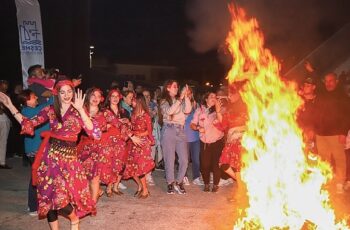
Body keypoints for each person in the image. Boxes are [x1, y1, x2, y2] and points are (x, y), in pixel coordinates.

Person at [0, 79, 101, 230]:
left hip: (69, 161)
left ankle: (74, 219)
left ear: (73, 92)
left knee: (61, 199)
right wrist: (9, 105)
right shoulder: (51, 110)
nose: (66, 95)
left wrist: (81, 110)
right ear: (57, 93)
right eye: (62, 92)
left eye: (69, 91)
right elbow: (28, 123)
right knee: (48, 198)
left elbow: (95, 132)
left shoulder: (78, 110)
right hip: (50, 159)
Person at [314, 73, 350, 194]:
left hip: (336, 134)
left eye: (331, 81)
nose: (328, 83)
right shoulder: (321, 94)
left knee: (339, 159)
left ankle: (340, 183)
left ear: (337, 81)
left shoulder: (343, 96)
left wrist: (343, 133)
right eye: (326, 81)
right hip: (321, 134)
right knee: (324, 160)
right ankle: (327, 182)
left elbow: (347, 116)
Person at [18, 89, 53, 216]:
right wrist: (53, 95)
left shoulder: (32, 110)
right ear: (26, 101)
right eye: (33, 97)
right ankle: (33, 207)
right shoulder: (27, 111)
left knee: (38, 176)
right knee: (36, 177)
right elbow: (47, 107)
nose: (37, 98)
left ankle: (35, 204)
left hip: (38, 149)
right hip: (35, 150)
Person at [160, 80, 192, 194]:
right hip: (169, 129)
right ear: (168, 88)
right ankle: (170, 183)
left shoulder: (181, 100)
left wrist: (186, 96)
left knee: (184, 159)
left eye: (177, 87)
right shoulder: (164, 100)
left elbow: (188, 110)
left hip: (181, 130)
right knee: (170, 159)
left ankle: (179, 182)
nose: (176, 88)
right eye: (174, 86)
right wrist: (179, 99)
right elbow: (169, 111)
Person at [215, 86, 247, 192]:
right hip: (230, 141)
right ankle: (243, 184)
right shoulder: (230, 108)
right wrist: (218, 112)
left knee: (238, 167)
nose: (229, 96)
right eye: (228, 94)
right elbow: (224, 124)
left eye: (231, 94)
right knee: (223, 164)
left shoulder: (245, 106)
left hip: (241, 140)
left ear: (238, 94)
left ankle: (242, 190)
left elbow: (252, 124)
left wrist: (236, 130)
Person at [191, 92, 224, 193]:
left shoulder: (220, 109)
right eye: (211, 97)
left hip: (217, 141)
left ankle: (215, 184)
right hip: (205, 142)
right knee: (204, 164)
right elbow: (192, 124)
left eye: (215, 97)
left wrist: (218, 111)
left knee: (215, 164)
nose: (214, 98)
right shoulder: (199, 110)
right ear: (206, 99)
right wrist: (198, 127)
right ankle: (206, 184)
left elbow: (223, 122)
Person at [77, 87, 107, 203]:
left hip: (97, 147)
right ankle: (96, 192)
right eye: (93, 95)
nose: (96, 98)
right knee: (83, 175)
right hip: (82, 147)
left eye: (98, 96)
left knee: (95, 176)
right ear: (88, 96)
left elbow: (115, 123)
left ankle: (93, 203)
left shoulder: (103, 113)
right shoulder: (81, 110)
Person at [123, 94, 155, 198]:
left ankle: (145, 190)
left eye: (133, 100)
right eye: (132, 100)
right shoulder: (133, 114)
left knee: (140, 167)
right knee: (132, 168)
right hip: (133, 142)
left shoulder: (146, 115)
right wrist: (128, 124)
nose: (132, 102)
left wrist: (139, 134)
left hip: (142, 143)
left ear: (139, 102)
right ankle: (141, 186)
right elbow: (132, 128)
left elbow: (149, 131)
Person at [184, 87, 202, 185]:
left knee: (196, 159)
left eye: (190, 93)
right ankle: (184, 176)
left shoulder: (197, 105)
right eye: (186, 93)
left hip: (195, 136)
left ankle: (196, 177)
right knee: (185, 159)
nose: (188, 95)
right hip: (184, 136)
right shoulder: (181, 105)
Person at [0, 80, 11, 169]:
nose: (5, 87)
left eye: (6, 86)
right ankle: (2, 162)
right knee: (3, 140)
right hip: (3, 118)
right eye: (3, 86)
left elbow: (8, 108)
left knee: (3, 140)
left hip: (4, 118)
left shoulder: (7, 95)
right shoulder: (5, 95)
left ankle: (2, 162)